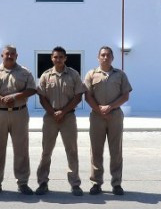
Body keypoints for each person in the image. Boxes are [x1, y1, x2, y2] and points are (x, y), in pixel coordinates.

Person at [0, 45, 37, 195]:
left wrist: (15, 97)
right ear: (2, 55)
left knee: (21, 149)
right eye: (7, 54)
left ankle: (23, 182)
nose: (10, 56)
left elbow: (32, 89)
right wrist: (1, 99)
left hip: (19, 113)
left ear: (16, 56)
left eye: (13, 54)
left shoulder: (25, 72)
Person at [35, 46, 86, 196]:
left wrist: (63, 112)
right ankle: (42, 182)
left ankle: (75, 184)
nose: (58, 59)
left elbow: (78, 96)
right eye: (55, 57)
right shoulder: (46, 75)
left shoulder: (73, 74)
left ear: (65, 58)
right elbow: (42, 97)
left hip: (68, 117)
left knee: (72, 151)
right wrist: (53, 112)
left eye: (61, 57)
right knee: (46, 151)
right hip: (50, 118)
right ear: (52, 58)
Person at [83, 46, 133, 195]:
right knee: (96, 150)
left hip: (115, 116)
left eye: (108, 55)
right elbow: (87, 96)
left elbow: (125, 96)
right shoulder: (91, 74)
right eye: (102, 55)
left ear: (112, 58)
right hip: (97, 116)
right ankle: (96, 183)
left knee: (116, 151)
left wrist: (110, 107)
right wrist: (100, 110)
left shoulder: (120, 75)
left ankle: (116, 183)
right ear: (98, 57)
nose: (105, 57)